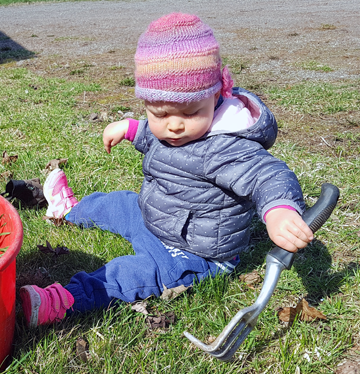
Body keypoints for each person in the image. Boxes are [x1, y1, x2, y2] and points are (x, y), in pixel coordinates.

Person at [19, 12, 314, 328]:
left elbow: (268, 175)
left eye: (190, 112)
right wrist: (132, 128)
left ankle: (64, 300)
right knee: (118, 202)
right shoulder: (170, 125)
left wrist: (279, 210)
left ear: (217, 96)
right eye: (159, 113)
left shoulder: (229, 145)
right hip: (156, 220)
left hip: (197, 253)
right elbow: (152, 133)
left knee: (135, 272)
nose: (174, 125)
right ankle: (71, 210)